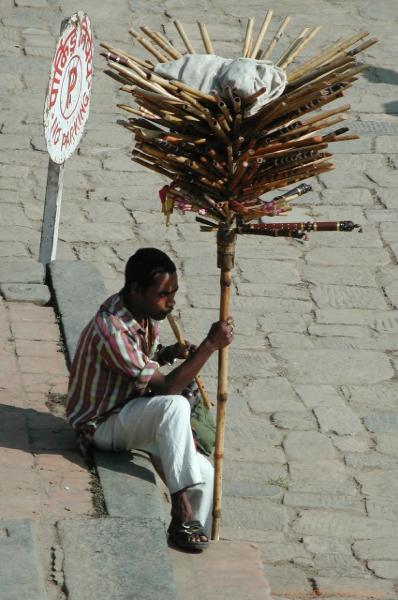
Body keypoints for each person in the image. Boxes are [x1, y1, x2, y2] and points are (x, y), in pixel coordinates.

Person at [66, 247, 234, 551]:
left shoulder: (144, 314)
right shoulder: (112, 328)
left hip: (132, 412)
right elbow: (166, 389)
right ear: (136, 289)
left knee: (205, 474)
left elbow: (143, 363)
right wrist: (209, 346)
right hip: (101, 425)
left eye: (174, 293)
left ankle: (197, 534)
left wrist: (168, 354)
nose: (170, 302)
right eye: (163, 294)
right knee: (176, 405)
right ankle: (181, 511)